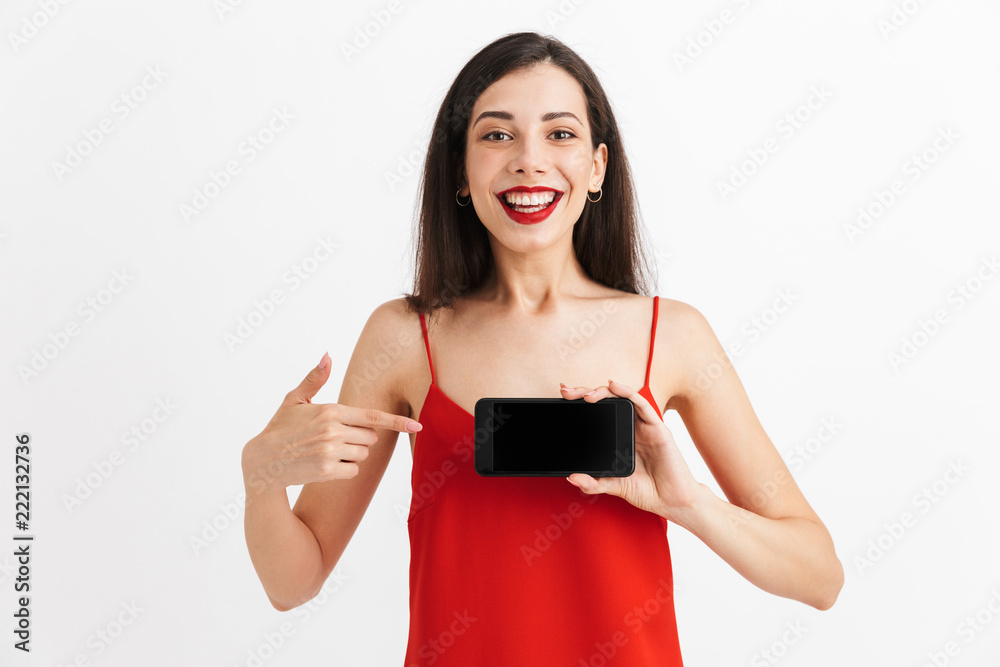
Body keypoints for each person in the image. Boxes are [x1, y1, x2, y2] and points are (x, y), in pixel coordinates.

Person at [241, 31, 844, 665]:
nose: (529, 160)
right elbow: (293, 582)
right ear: (460, 173)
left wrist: (686, 501)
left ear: (597, 168)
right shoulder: (403, 336)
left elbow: (819, 576)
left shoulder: (674, 335)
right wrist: (260, 479)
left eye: (559, 134)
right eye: (497, 135)